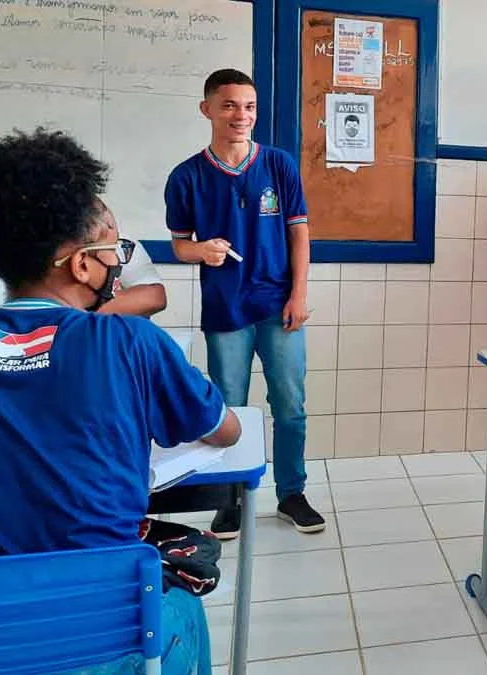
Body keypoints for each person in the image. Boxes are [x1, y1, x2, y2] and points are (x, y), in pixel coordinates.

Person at [0, 128, 242, 673]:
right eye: (112, 252)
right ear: (81, 265)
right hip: (102, 625)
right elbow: (226, 432)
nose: (118, 263)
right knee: (183, 613)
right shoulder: (130, 342)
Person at [165, 68, 324, 540]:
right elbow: (179, 245)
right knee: (228, 405)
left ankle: (291, 492)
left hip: (278, 305)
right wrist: (202, 250)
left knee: (290, 403)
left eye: (249, 106)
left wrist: (298, 294)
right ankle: (230, 497)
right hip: (225, 310)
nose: (241, 115)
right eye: (230, 104)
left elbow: (299, 232)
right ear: (207, 109)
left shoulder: (278, 165)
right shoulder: (187, 176)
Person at [0, 204, 167, 317]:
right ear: (81, 264)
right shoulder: (0, 252)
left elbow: (154, 296)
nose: (117, 260)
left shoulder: (111, 246)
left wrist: (75, 316)